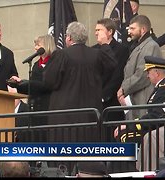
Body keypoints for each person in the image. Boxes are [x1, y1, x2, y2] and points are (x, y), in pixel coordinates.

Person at [43, 21, 116, 174]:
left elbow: (49, 81)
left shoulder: (61, 55)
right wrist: (104, 45)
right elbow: (112, 65)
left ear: (68, 38)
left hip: (64, 119)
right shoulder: (96, 55)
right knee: (88, 156)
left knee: (64, 160)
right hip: (90, 117)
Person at [115, 56, 165, 144]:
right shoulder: (161, 87)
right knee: (122, 133)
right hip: (156, 129)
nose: (147, 76)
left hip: (162, 132)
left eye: (148, 72)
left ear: (157, 73)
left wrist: (131, 125)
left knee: (124, 136)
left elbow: (157, 116)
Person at [9, 34, 56, 142]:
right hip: (35, 108)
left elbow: (48, 85)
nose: (35, 48)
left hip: (48, 106)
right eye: (35, 45)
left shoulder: (54, 62)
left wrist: (27, 83)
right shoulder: (35, 65)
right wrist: (18, 85)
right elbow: (33, 87)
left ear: (46, 45)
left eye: (38, 45)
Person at [117, 15, 162, 120]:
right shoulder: (139, 46)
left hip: (143, 97)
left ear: (143, 30)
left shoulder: (151, 46)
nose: (129, 31)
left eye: (133, 28)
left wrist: (124, 89)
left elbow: (142, 74)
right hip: (134, 96)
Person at [93, 18, 129, 141]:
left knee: (111, 138)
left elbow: (118, 75)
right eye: (95, 30)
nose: (96, 33)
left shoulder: (122, 50)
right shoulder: (93, 50)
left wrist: (104, 96)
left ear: (110, 32)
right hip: (95, 102)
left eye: (99, 30)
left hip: (112, 102)